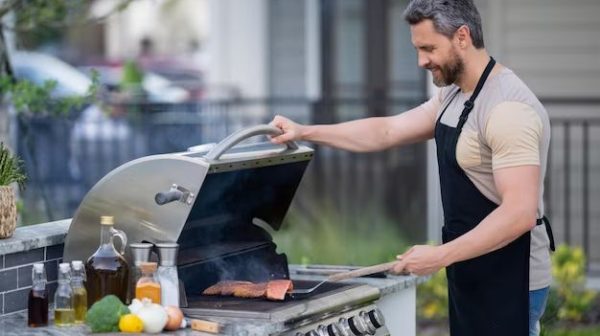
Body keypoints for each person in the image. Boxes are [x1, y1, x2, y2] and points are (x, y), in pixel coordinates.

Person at [269, 1, 555, 335]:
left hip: (511, 278)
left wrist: (439, 256)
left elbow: (519, 213)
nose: (421, 61)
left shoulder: (507, 108)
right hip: (473, 268)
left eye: (428, 48)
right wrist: (306, 132)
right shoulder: (455, 95)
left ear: (462, 36)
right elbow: (386, 131)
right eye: (417, 49)